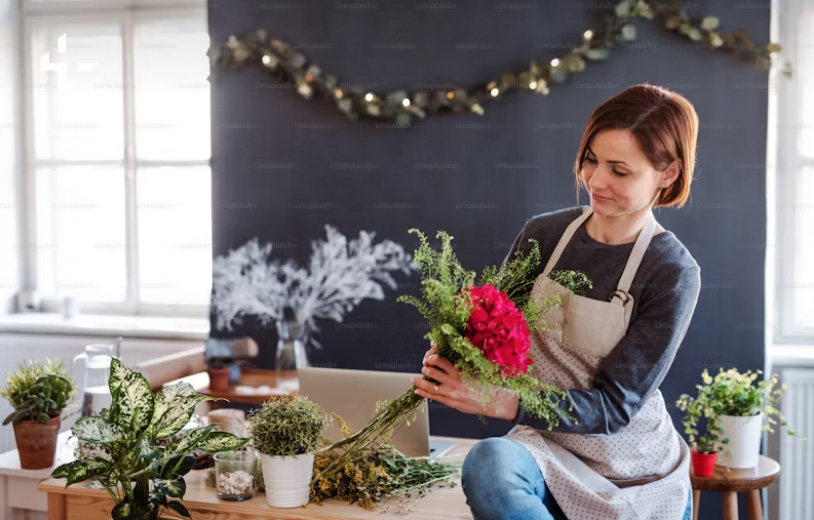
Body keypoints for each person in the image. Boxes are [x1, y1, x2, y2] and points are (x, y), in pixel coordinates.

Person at [412, 83, 701, 520]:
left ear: (668, 173)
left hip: (635, 477)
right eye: (590, 159)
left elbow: (615, 406)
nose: (595, 180)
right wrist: (456, 352)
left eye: (619, 171)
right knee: (488, 462)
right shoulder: (544, 235)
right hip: (548, 451)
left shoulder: (672, 271)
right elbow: (491, 335)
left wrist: (505, 403)